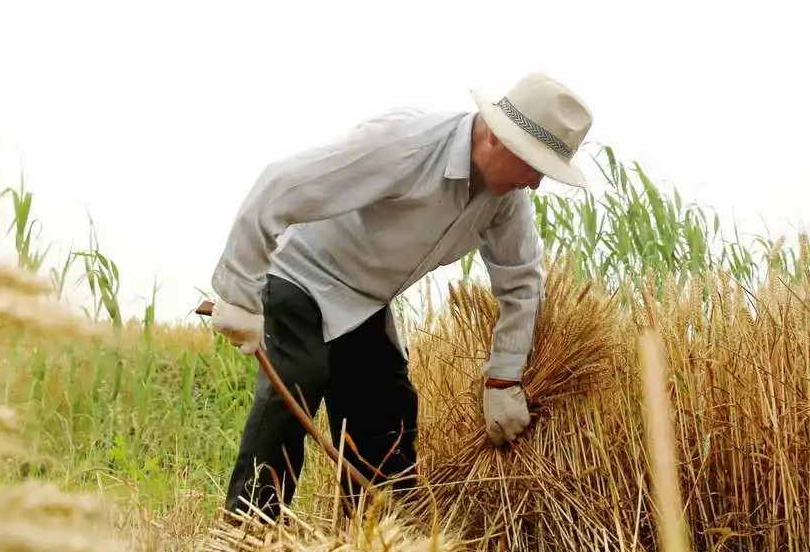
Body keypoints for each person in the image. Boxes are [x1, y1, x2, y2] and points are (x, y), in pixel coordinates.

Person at [207, 71, 594, 521]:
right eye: (534, 166)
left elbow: (522, 282)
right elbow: (279, 185)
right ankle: (247, 534)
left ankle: (377, 543)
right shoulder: (406, 144)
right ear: (497, 140)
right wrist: (238, 295)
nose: (535, 184)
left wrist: (503, 380)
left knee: (388, 412)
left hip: (365, 303)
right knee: (298, 377)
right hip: (299, 273)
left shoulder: (505, 200)